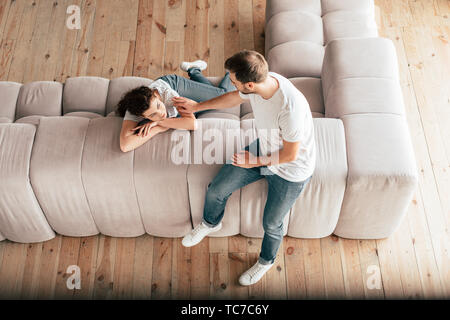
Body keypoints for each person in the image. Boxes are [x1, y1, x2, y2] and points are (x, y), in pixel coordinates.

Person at [175, 50, 316, 286]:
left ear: (250, 83)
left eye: (233, 80)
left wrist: (254, 161)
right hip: (265, 146)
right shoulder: (262, 82)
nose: (230, 82)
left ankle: (266, 261)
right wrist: (197, 107)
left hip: (291, 170)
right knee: (217, 189)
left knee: (271, 223)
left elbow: (290, 154)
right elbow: (231, 99)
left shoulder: (289, 110)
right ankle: (211, 222)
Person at [117, 60, 236, 152]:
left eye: (158, 106)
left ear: (157, 97)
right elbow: (125, 145)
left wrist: (159, 122)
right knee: (204, 106)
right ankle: (194, 69)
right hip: (166, 105)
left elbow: (192, 124)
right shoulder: (134, 111)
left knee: (222, 98)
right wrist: (158, 127)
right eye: (153, 115)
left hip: (174, 85)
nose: (161, 113)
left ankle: (235, 72)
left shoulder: (169, 97)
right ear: (142, 116)